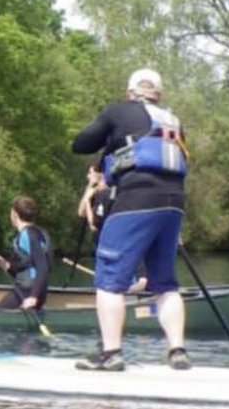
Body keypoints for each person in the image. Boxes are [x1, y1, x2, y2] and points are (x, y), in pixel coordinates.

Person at [71, 68, 190, 371]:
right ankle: (177, 350)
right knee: (165, 282)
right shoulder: (172, 121)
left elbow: (81, 143)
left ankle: (110, 354)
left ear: (130, 92)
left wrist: (108, 134)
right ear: (158, 95)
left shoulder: (118, 111)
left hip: (136, 199)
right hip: (174, 204)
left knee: (109, 279)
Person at [77, 164, 147, 293]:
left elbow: (93, 225)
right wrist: (88, 193)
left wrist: (88, 200)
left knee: (126, 282)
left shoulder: (106, 195)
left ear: (100, 176)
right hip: (103, 248)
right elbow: (81, 212)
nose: (87, 176)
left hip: (114, 247)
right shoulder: (95, 194)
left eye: (90, 173)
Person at [0, 196, 51, 310]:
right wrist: (6, 265)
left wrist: (33, 297)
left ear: (14, 214)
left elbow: (42, 267)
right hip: (34, 290)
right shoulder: (39, 233)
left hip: (28, 291)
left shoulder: (28, 235)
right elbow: (27, 268)